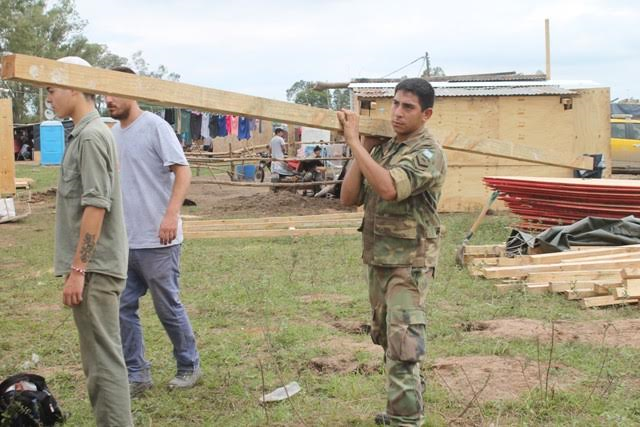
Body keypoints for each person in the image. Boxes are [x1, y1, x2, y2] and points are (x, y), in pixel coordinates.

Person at [338, 78, 447, 427]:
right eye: (395, 104)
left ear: (426, 113)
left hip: (409, 263)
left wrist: (354, 142)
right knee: (389, 338)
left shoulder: (427, 153)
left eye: (408, 107)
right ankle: (407, 404)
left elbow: (387, 188)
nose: (398, 113)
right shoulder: (385, 149)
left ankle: (405, 420)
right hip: (380, 259)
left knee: (403, 344)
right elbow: (347, 197)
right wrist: (364, 149)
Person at [46, 56, 133, 426]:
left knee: (103, 363)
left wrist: (78, 269)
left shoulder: (93, 136)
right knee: (97, 361)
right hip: (92, 267)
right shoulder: (85, 134)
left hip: (94, 268)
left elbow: (97, 206)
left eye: (51, 89)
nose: (48, 98)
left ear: (73, 86)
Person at [106, 66, 201, 398]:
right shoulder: (111, 134)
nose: (109, 99)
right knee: (122, 307)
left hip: (159, 239)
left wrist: (170, 215)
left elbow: (183, 172)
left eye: (115, 91)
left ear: (133, 90)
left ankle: (189, 365)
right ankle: (137, 373)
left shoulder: (156, 127)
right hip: (125, 241)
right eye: (105, 92)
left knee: (167, 306)